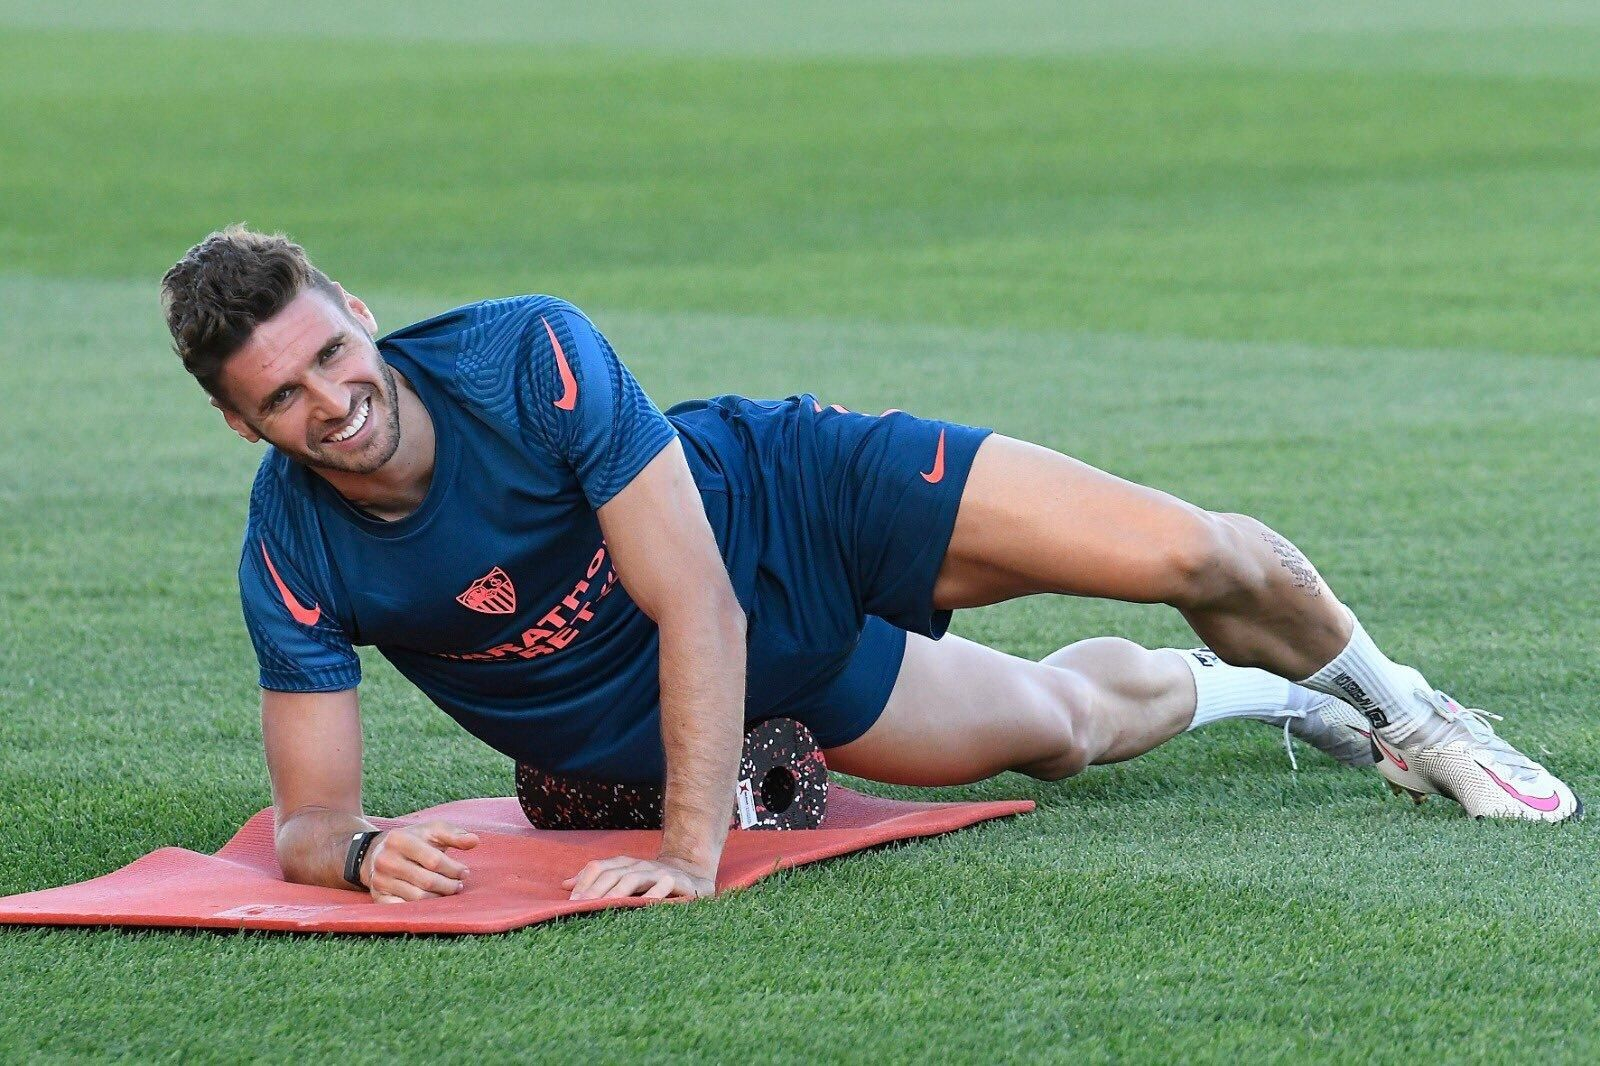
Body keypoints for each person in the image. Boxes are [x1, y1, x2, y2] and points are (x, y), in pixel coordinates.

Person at [159, 227, 1579, 905]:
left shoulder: (520, 356)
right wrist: (352, 848)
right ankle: (1265, 700)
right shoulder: (291, 552)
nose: (329, 399)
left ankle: (1413, 710)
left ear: (356, 310)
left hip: (787, 504)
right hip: (781, 675)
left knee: (1182, 547)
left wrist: (684, 852)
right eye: (282, 396)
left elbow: (695, 595)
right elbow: (307, 821)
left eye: (331, 352)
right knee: (1063, 735)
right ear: (241, 421)